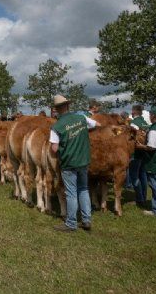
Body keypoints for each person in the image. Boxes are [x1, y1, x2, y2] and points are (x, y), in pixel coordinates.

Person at [49, 95, 100, 232]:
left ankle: (71, 223)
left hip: (69, 162)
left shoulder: (56, 126)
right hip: (84, 160)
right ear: (68, 106)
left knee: (71, 192)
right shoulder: (82, 118)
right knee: (83, 189)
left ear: (57, 110)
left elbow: (54, 148)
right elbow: (98, 125)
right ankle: (86, 220)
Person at [128, 105, 150, 206]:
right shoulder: (145, 123)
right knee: (143, 175)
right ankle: (144, 196)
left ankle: (140, 198)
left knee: (134, 176)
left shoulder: (134, 123)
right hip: (145, 152)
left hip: (136, 153)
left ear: (134, 112)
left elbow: (131, 139)